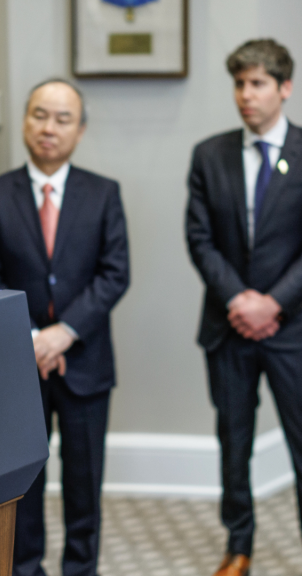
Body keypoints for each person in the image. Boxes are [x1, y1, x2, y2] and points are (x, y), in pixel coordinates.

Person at [0, 79, 129, 576]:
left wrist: (65, 333)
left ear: (80, 130)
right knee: (25, 484)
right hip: (19, 364)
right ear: (24, 121)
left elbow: (115, 273)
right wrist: (36, 339)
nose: (49, 128)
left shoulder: (104, 193)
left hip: (86, 362)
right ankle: (26, 568)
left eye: (63, 119)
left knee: (85, 485)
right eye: (40, 115)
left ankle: (81, 568)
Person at [186, 39, 302, 576]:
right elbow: (199, 238)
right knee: (234, 444)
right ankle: (239, 546)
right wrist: (238, 299)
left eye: (256, 84)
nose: (245, 96)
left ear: (284, 87)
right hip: (227, 327)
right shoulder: (210, 154)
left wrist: (273, 302)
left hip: (292, 327)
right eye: (239, 84)